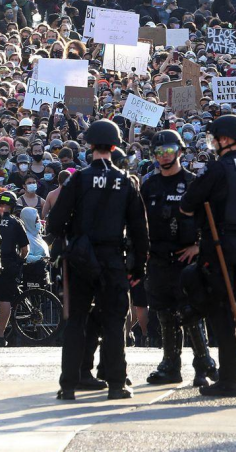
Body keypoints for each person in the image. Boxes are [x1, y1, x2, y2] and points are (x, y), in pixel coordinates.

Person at [48, 119, 149, 400]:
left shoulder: (77, 179)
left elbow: (54, 223)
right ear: (115, 145)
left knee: (76, 321)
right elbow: (140, 231)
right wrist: (137, 266)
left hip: (81, 258)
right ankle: (117, 384)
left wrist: (74, 235)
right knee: (115, 322)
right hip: (113, 258)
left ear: (89, 146)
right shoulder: (127, 182)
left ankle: (68, 385)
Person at [179, 114, 236, 397]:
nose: (214, 144)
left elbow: (188, 204)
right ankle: (233, 369)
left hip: (219, 244)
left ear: (226, 139)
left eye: (217, 138)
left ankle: (229, 379)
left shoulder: (218, 169)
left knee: (219, 307)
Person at [140, 129, 217, 387]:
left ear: (180, 152)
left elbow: (212, 222)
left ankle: (203, 364)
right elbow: (138, 222)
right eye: (159, 152)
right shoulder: (148, 185)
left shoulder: (194, 183)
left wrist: (198, 246)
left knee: (191, 312)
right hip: (158, 259)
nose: (164, 157)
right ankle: (170, 364)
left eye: (169, 151)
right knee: (163, 313)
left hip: (187, 260)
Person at [0, 189, 28, 347]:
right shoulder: (15, 222)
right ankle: (0, 336)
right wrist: (19, 261)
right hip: (9, 264)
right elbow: (25, 249)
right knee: (6, 300)